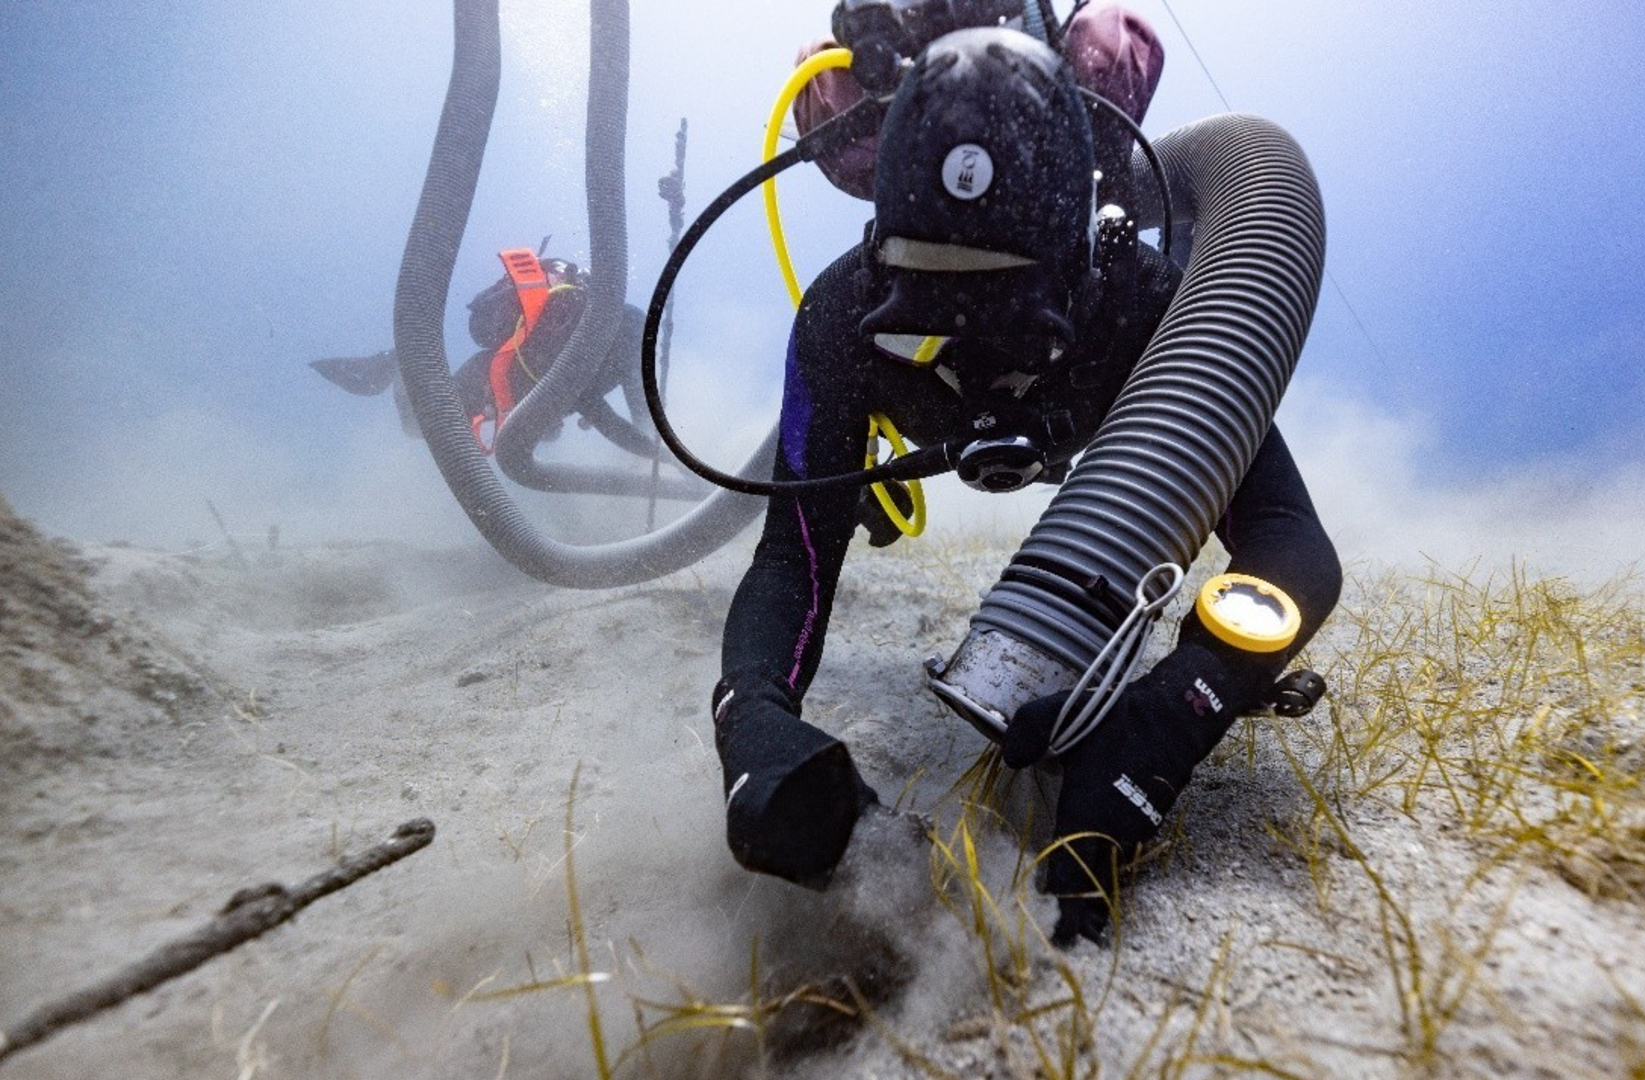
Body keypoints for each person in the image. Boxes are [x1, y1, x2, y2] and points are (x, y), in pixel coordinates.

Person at [711, 9, 1343, 947]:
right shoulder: (842, 323)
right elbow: (789, 563)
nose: (976, 354)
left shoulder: (1136, 301)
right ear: (882, 263)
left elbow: (1293, 548)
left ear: (1081, 268)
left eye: (1012, 322)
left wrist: (1174, 710)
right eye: (926, 319)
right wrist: (749, 718)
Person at [310, 248, 649, 453]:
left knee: (544, 435)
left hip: (514, 383)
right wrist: (659, 459)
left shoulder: (621, 345)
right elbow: (611, 422)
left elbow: (640, 420)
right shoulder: (590, 349)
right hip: (489, 378)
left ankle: (406, 360)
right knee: (418, 427)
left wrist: (651, 449)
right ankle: (402, 361)